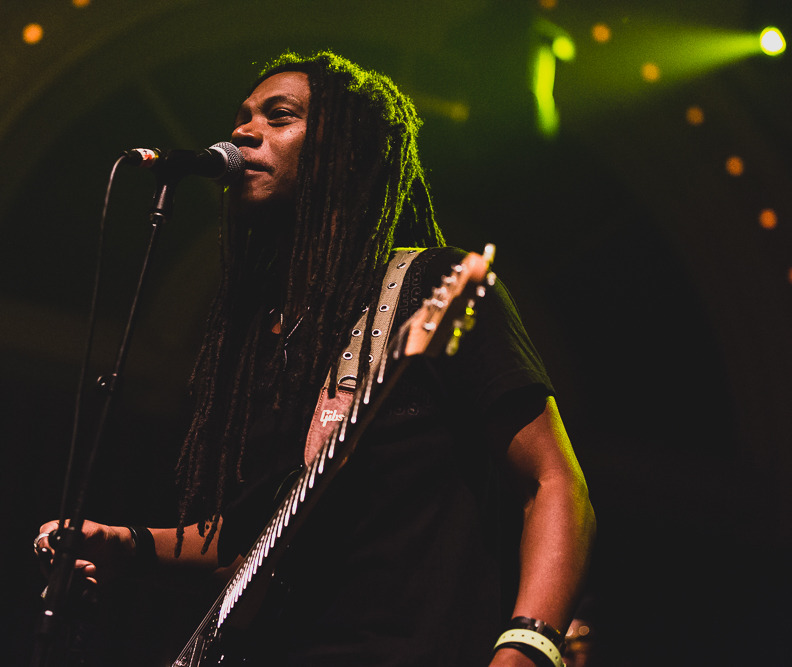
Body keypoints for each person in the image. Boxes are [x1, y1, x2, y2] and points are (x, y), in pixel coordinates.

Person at [37, 51, 595, 666]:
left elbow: (553, 481)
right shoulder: (267, 337)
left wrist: (527, 646)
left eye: (280, 117)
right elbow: (245, 538)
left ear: (347, 152)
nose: (244, 132)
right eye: (243, 118)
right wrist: (124, 543)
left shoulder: (424, 288)